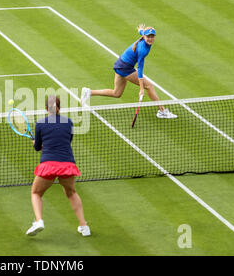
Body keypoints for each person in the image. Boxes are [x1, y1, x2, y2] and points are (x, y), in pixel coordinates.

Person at [26, 95, 90, 237]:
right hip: (67, 164)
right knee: (71, 193)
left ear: (46, 108)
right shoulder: (69, 123)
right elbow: (66, 141)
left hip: (49, 164)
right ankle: (84, 226)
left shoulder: (41, 124)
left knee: (36, 193)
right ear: (60, 107)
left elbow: (37, 147)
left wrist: (37, 144)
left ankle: (39, 221)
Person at [81, 24, 177, 119]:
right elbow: (140, 69)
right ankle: (162, 111)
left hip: (120, 64)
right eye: (148, 36)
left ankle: (89, 92)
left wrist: (140, 30)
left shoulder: (144, 36)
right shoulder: (143, 49)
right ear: (144, 37)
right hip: (125, 67)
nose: (150, 39)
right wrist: (141, 88)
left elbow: (141, 31)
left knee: (116, 93)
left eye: (152, 36)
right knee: (149, 86)